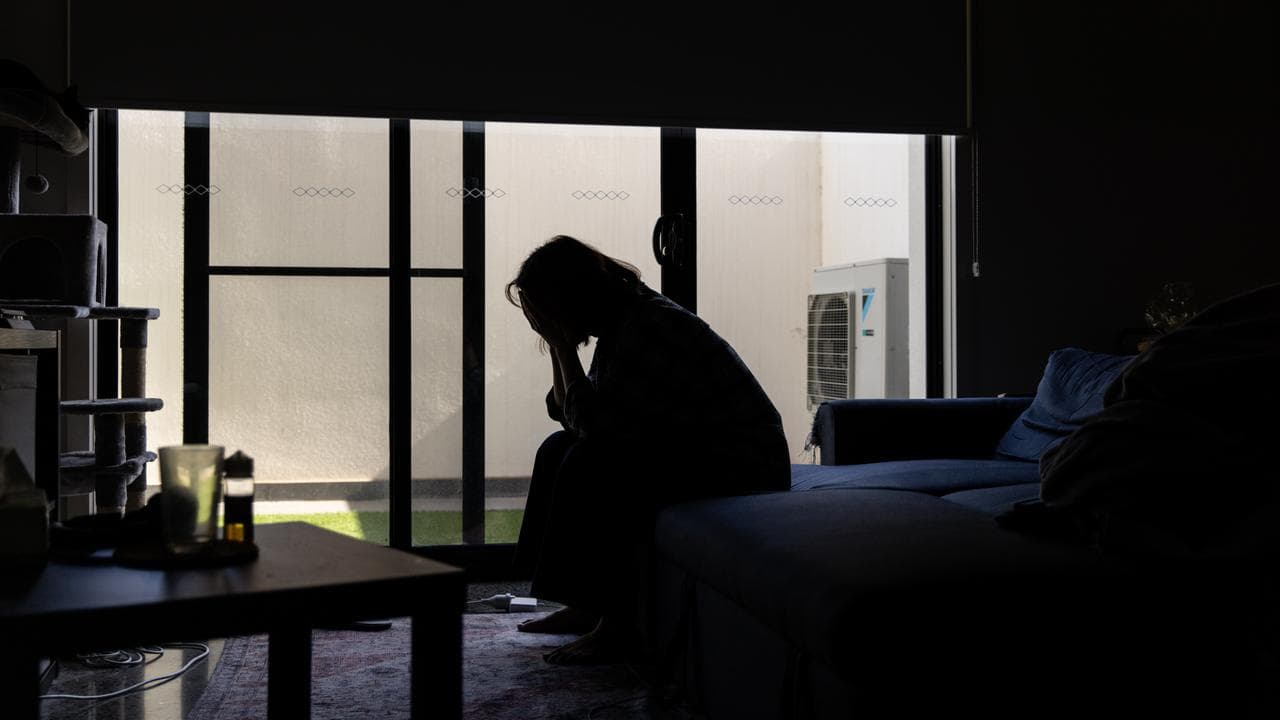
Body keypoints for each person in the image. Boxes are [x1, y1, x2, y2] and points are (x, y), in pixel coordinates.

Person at [508, 234, 790, 664]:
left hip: (744, 466)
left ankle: (618, 625)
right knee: (558, 448)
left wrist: (564, 346)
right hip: (691, 450)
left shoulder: (649, 327)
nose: (542, 320)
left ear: (571, 297)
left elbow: (597, 429)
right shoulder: (621, 320)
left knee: (593, 461)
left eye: (547, 311)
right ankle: (586, 604)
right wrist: (556, 346)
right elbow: (568, 414)